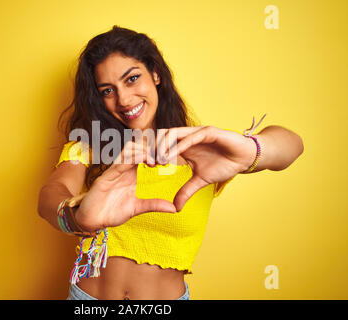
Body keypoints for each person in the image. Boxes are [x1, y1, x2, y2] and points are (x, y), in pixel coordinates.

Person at [37, 26, 304, 300]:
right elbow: (50, 196)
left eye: (132, 79)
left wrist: (250, 149)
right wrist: (74, 217)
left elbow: (291, 145)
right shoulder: (93, 146)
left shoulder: (201, 151)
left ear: (155, 73)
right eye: (108, 90)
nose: (124, 99)